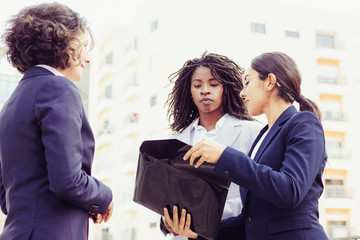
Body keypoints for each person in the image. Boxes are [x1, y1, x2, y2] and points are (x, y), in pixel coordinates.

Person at [182, 52, 329, 239]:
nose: (242, 92)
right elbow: (250, 221)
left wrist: (225, 156)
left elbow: (290, 190)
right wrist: (199, 230)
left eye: (247, 82)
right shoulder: (262, 137)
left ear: (269, 82)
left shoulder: (303, 123)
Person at [0, 3, 113, 240]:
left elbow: (5, 197)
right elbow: (68, 181)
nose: (87, 58)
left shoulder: (11, 103)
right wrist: (103, 197)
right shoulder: (59, 88)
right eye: (83, 46)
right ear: (61, 42)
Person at [160, 52, 263, 240]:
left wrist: (203, 214)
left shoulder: (253, 132)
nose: (205, 90)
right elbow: (167, 194)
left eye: (214, 84)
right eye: (197, 85)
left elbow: (258, 193)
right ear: (189, 91)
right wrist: (167, 219)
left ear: (227, 88)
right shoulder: (175, 140)